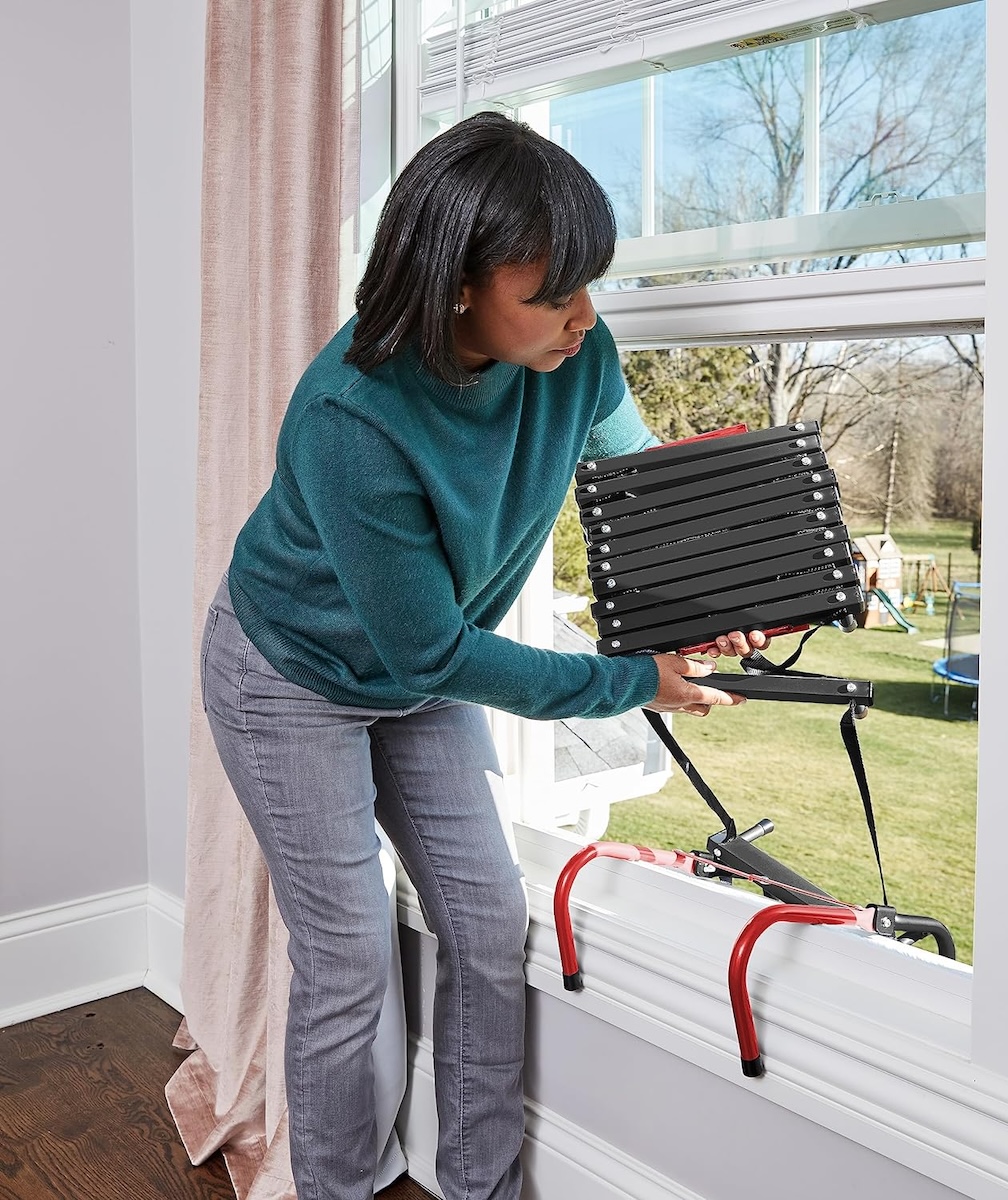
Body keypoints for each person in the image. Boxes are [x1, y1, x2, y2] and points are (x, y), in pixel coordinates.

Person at [199, 110, 767, 1200]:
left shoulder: (577, 354)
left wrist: (702, 601)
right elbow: (439, 653)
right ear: (459, 284)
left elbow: (637, 489)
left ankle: (483, 1187)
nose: (584, 317)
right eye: (553, 294)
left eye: (588, 286)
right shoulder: (350, 418)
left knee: (488, 919)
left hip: (419, 669)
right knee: (349, 963)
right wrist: (631, 682)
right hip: (291, 677)